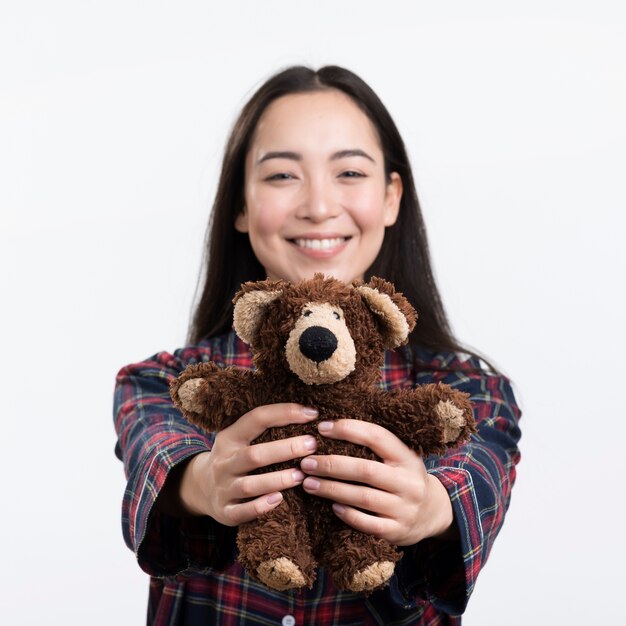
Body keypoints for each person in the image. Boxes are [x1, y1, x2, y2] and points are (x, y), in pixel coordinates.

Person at [114, 65, 521, 626]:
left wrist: (427, 508)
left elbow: (473, 478)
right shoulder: (164, 383)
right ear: (240, 204)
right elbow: (158, 455)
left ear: (390, 198)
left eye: (349, 171)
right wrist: (205, 482)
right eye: (283, 176)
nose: (319, 206)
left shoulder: (470, 391)